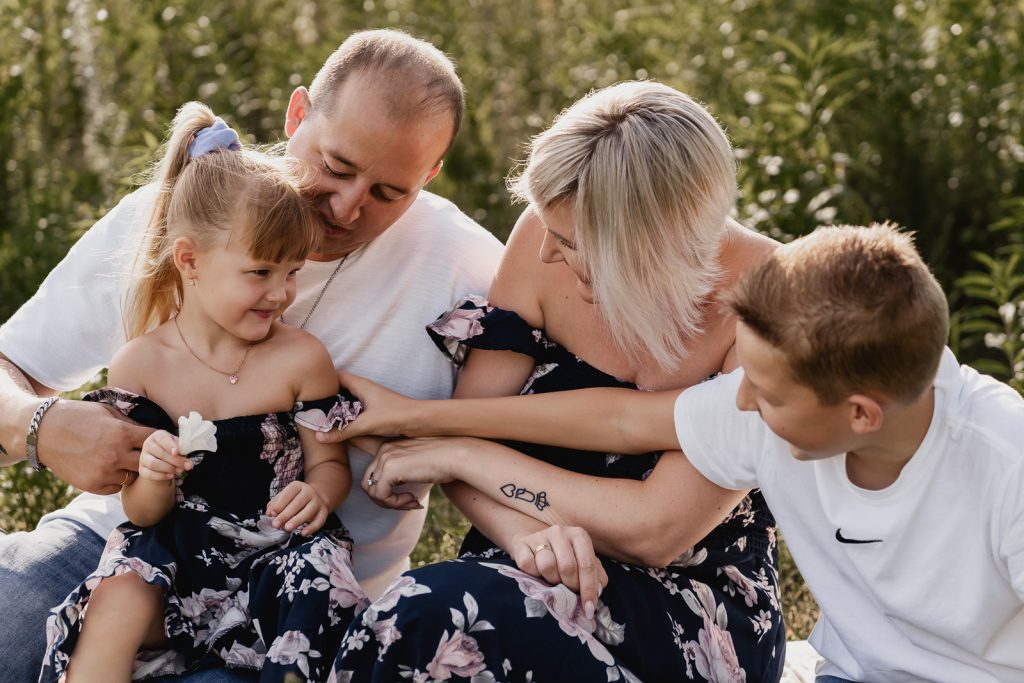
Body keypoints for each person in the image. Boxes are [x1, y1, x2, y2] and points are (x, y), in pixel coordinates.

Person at [0, 29, 503, 682]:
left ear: (430, 173)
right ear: (298, 116)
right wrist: (34, 425)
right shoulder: (189, 212)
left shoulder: (466, 269)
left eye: (388, 192)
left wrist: (435, 438)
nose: (347, 207)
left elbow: (572, 400)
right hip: (123, 547)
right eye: (338, 165)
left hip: (290, 591)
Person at [342, 224, 1024, 682]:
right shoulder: (777, 407)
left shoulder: (1006, 464)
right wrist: (435, 431)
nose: (741, 402)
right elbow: (622, 420)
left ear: (861, 413)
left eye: (765, 390)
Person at [328, 81, 785, 682]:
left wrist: (463, 454)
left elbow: (656, 531)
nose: (545, 254)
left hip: (691, 606)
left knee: (431, 618)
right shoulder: (541, 238)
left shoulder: (770, 303)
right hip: (518, 573)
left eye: (571, 242)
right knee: (429, 622)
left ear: (650, 242)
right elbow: (466, 454)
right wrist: (522, 536)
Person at [41, 103, 370, 682]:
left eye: (292, 272)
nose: (281, 293)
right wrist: (154, 474)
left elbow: (329, 463)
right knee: (119, 591)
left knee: (315, 578)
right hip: (180, 551)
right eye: (261, 272)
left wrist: (319, 494)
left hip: (276, 547)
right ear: (190, 260)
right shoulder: (142, 364)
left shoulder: (300, 359)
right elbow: (141, 512)